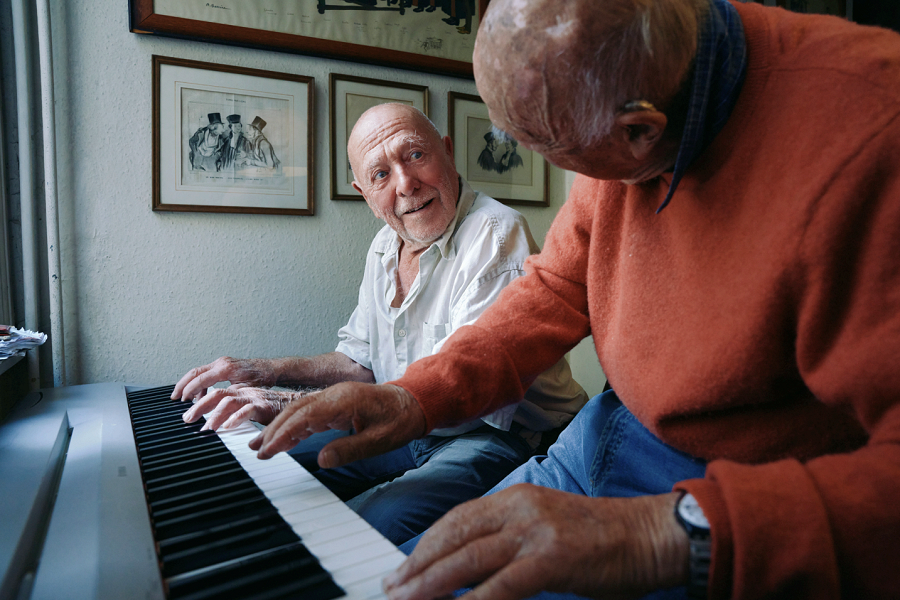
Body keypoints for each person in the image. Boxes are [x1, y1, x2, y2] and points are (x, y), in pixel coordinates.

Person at [246, 1, 900, 599]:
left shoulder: (874, 131)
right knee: (393, 584)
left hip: (740, 496)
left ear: (641, 131)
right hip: (602, 435)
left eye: (552, 150)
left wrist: (659, 534)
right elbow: (556, 287)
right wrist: (414, 397)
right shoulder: (628, 87)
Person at [172, 103, 587, 546]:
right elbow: (360, 362)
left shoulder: (495, 233)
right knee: (272, 472)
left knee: (371, 525)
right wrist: (267, 373)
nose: (405, 184)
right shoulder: (386, 245)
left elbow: (466, 388)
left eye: (415, 155)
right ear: (365, 194)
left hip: (502, 434)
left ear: (447, 153)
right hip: (410, 425)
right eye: (380, 174)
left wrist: (288, 400)